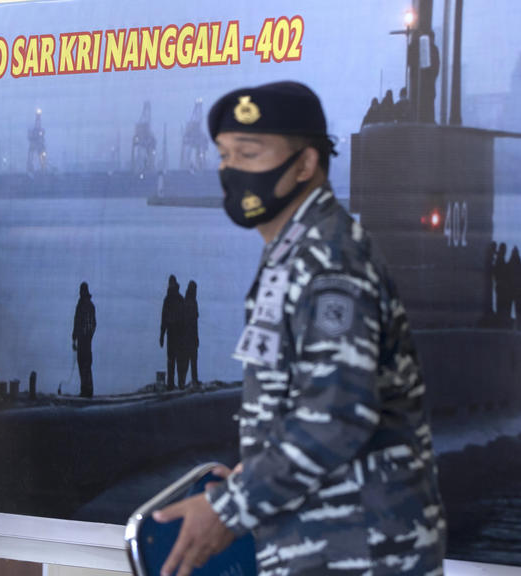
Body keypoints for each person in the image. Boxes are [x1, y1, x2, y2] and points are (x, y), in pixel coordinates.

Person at [154, 82, 445, 576]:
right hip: (319, 550)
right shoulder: (293, 253)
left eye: (248, 153)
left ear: (305, 165)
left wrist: (229, 510)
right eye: (225, 155)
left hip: (362, 555)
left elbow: (336, 414)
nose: (231, 171)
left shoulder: (330, 259)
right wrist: (260, 469)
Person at [159, 275, 186, 390]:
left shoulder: (179, 299)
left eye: (171, 283)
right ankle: (171, 384)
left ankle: (180, 384)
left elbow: (184, 319)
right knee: (171, 360)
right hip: (171, 334)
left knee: (178, 359)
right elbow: (164, 318)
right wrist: (161, 335)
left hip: (178, 334)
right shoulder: (170, 299)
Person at [72, 282, 96, 398]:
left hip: (84, 340)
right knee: (85, 364)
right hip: (85, 340)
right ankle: (87, 390)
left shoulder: (82, 305)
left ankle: (86, 390)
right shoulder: (90, 305)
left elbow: (77, 322)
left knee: (84, 364)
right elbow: (93, 324)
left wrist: (75, 337)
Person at [181, 280, 199, 387]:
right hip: (189, 337)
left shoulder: (189, 301)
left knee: (190, 360)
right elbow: (191, 322)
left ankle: (189, 380)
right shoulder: (190, 302)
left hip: (189, 337)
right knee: (190, 360)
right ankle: (189, 380)